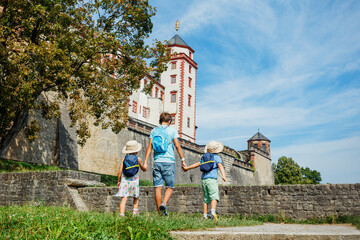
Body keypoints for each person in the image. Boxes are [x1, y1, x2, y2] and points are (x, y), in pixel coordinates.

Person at [144, 112, 186, 216]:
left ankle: (160, 214)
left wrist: (145, 161)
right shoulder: (172, 130)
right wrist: (182, 159)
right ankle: (164, 203)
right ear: (169, 121)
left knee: (158, 187)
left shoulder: (154, 130)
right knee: (170, 187)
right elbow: (177, 145)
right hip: (169, 161)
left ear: (160, 121)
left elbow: (149, 146)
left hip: (157, 161)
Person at [183, 141, 227, 221]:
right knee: (214, 196)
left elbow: (198, 164)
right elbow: (220, 166)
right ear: (218, 151)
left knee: (206, 198)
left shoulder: (205, 157)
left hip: (204, 180)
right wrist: (224, 175)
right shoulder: (217, 158)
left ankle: (205, 215)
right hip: (212, 179)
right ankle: (213, 212)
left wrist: (187, 168)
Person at [115, 140, 147, 217]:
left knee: (124, 198)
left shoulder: (124, 158)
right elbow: (143, 169)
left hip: (125, 180)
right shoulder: (138, 159)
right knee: (136, 197)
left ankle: (122, 214)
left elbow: (120, 170)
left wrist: (118, 180)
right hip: (134, 180)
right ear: (136, 150)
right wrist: (145, 165)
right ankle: (135, 214)